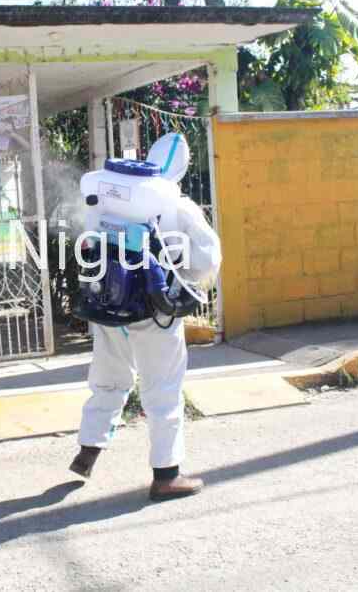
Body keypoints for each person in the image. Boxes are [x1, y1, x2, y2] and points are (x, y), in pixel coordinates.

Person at [69, 133, 221, 501]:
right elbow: (207, 261)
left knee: (108, 379)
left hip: (109, 304)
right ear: (181, 170)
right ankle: (167, 475)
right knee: (163, 388)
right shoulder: (179, 207)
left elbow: (87, 236)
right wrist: (183, 273)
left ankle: (88, 451)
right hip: (156, 312)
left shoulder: (111, 198)